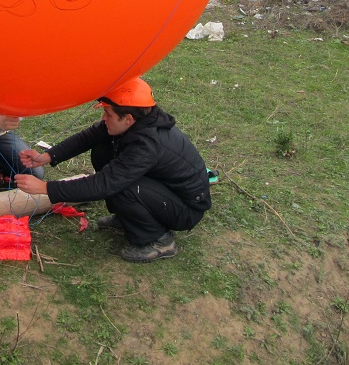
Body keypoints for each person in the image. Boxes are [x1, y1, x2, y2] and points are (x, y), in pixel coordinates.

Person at [14, 77, 211, 263]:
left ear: (128, 119)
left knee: (122, 186)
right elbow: (89, 136)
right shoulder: (137, 121)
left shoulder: (146, 145)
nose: (104, 118)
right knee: (102, 151)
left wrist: (46, 188)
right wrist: (46, 157)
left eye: (108, 114)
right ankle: (130, 217)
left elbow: (104, 184)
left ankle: (160, 241)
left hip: (185, 209)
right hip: (163, 191)